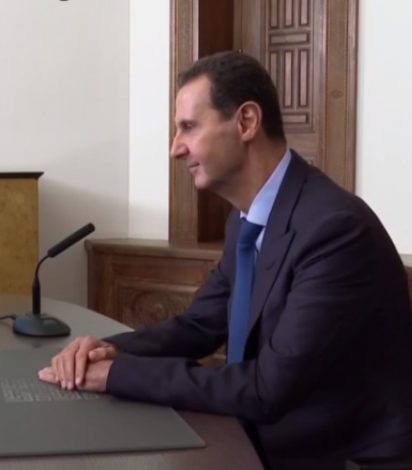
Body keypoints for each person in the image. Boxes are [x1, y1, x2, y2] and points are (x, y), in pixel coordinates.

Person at [39, 51, 412, 469]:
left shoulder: (335, 230)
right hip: (265, 438)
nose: (175, 148)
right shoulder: (245, 219)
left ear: (246, 122)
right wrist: (108, 350)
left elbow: (267, 388)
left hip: (337, 459)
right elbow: (199, 325)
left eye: (189, 127)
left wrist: (116, 375)